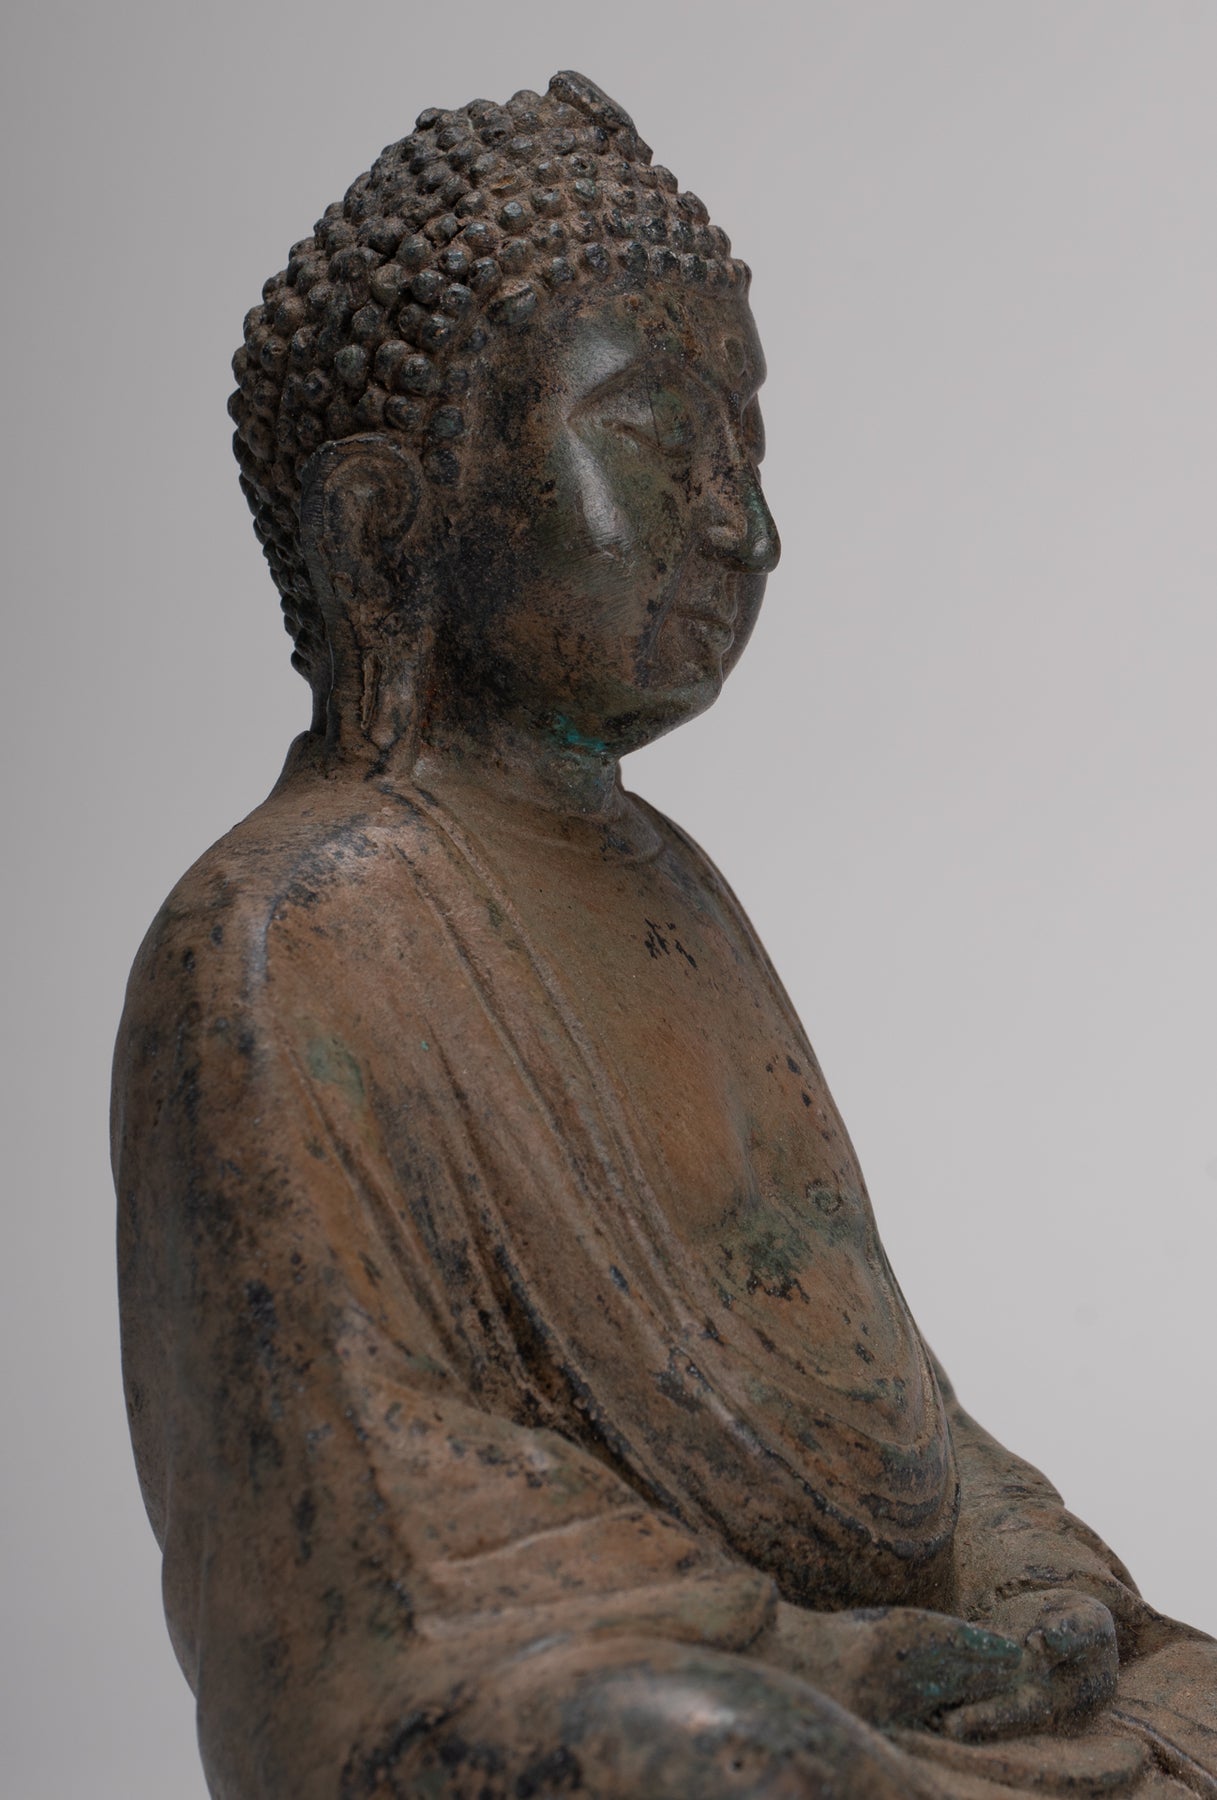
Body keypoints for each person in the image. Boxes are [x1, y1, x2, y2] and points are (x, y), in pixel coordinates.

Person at [113, 71, 1216, 1799]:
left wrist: (1032, 1580)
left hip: (859, 1677)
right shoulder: (277, 937)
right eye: (650, 436)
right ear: (385, 523)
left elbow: (886, 1394)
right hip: (572, 1690)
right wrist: (811, 1654)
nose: (740, 523)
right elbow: (379, 1513)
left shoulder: (676, 895)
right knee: (714, 1754)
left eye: (746, 445)